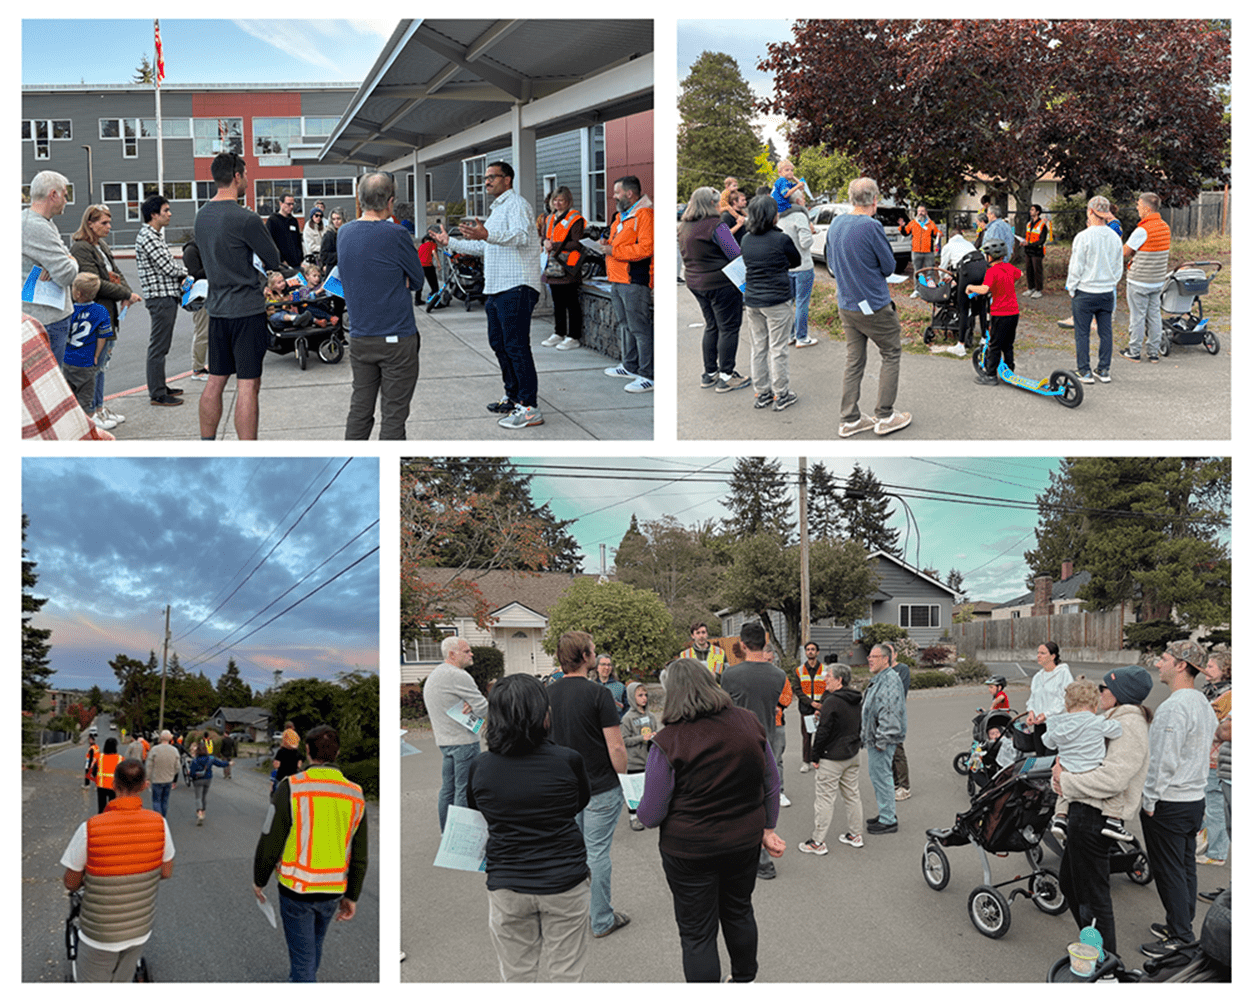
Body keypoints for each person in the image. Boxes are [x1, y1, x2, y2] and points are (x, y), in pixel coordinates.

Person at [637, 658, 784, 982]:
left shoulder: (669, 740)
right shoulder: (748, 722)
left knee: (697, 933)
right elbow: (771, 782)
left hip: (689, 850)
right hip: (743, 841)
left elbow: (650, 815)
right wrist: (768, 827)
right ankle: (744, 980)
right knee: (739, 911)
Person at [466, 674, 592, 982]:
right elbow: (579, 803)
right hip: (565, 880)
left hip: (507, 883)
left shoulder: (481, 766)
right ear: (543, 714)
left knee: (517, 976)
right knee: (566, 975)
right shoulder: (568, 760)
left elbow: (477, 811)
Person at [253, 724, 368, 982]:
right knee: (313, 946)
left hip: (296, 889)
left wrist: (259, 879)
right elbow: (360, 854)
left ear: (306, 750)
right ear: (337, 752)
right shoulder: (355, 793)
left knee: (303, 957)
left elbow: (270, 839)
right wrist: (352, 895)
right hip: (332, 889)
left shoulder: (291, 787)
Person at [1052, 665, 1154, 957]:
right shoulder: (1110, 719)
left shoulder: (1129, 725)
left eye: (1104, 688)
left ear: (1119, 693)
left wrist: (1065, 781)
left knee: (1092, 896)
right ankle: (1094, 949)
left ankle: (1105, 961)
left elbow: (1113, 778)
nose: (1099, 693)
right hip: (1083, 810)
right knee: (1071, 883)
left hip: (1094, 815)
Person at [436, 161, 545, 428]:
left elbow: (520, 236)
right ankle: (513, 397)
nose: (486, 181)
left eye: (492, 177)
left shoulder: (517, 205)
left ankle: (529, 407)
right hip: (497, 288)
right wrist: (451, 242)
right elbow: (486, 247)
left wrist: (487, 234)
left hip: (516, 286)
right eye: (485, 177)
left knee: (516, 347)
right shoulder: (497, 210)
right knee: (499, 344)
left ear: (507, 179)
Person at [194, 152, 283, 440]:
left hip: (217, 309)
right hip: (246, 310)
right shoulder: (246, 218)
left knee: (216, 380)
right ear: (236, 176)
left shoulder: (201, 216)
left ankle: (207, 443)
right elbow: (272, 258)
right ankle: (247, 450)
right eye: (244, 175)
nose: (246, 180)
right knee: (247, 384)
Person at [60, 758, 175, 982]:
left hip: (100, 935)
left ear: (113, 785)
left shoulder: (90, 828)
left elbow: (70, 882)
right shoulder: (160, 824)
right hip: (139, 930)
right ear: (144, 786)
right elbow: (166, 871)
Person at [547, 630, 630, 939]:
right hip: (600, 785)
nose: (596, 655)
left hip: (564, 787)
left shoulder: (547, 693)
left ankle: (571, 913)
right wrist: (624, 777)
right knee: (597, 853)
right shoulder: (599, 694)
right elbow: (616, 747)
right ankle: (602, 918)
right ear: (584, 656)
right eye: (593, 651)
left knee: (574, 850)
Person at [1139, 640, 1217, 959]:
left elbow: (1163, 760)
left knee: (1169, 870)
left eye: (1164, 658)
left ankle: (1180, 938)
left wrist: (1149, 800)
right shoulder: (1202, 703)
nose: (1159, 664)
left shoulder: (1174, 707)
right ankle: (1180, 923)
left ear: (1181, 665)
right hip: (1194, 799)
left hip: (1170, 801)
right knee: (1184, 867)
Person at [335, 172, 424, 440]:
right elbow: (417, 279)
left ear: (360, 200)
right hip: (396, 338)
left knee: (360, 409)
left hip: (361, 337)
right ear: (390, 201)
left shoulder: (343, 232)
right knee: (394, 415)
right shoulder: (396, 234)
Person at [825, 178, 911, 437]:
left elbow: (832, 263)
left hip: (846, 303)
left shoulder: (836, 223)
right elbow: (888, 266)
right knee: (891, 352)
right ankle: (885, 415)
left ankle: (849, 418)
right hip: (873, 304)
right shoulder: (871, 226)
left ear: (851, 198)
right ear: (875, 200)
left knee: (854, 360)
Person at [720, 621, 789, 878]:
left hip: (737, 745)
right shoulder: (778, 675)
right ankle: (763, 857)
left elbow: (723, 709)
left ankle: (742, 854)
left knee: (736, 801)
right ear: (765, 641)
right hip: (766, 742)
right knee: (762, 799)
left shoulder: (730, 675)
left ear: (742, 644)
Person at [70, 204, 139, 428]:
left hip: (107, 313)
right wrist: (126, 294)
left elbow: (116, 273)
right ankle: (91, 412)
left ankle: (100, 408)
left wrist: (127, 292)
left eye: (109, 222)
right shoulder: (81, 248)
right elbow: (94, 283)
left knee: (102, 365)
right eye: (104, 223)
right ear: (90, 223)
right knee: (94, 366)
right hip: (94, 315)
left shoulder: (101, 245)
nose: (109, 227)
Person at [679, 187, 749, 393]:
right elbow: (734, 253)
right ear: (711, 204)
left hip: (695, 281)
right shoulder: (716, 226)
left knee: (712, 326)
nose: (720, 206)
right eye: (718, 202)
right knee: (728, 328)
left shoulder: (684, 226)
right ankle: (726, 376)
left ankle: (710, 373)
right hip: (721, 283)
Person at [1045, 680, 1132, 841]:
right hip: (1092, 768)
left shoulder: (1059, 724)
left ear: (1067, 706)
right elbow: (1117, 730)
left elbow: (1048, 742)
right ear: (1095, 705)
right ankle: (1113, 821)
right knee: (1116, 790)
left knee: (1062, 792)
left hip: (1067, 768)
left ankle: (1060, 818)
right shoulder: (1097, 722)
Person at [740, 193, 801, 413]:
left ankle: (762, 392)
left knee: (758, 347)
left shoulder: (746, 239)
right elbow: (796, 261)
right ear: (772, 215)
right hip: (776, 300)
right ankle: (781, 393)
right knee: (778, 349)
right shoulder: (781, 239)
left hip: (753, 300)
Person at [423, 636, 489, 832]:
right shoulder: (458, 676)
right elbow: (483, 707)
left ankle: (447, 833)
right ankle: (461, 837)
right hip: (464, 741)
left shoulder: (435, 675)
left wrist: (471, 705)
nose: (471, 654)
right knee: (464, 790)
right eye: (466, 651)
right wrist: (474, 705)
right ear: (453, 654)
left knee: (448, 789)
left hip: (445, 741)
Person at [800, 663, 864, 853]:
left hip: (832, 757)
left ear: (839, 679)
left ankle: (817, 842)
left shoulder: (832, 701)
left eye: (828, 676)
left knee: (824, 800)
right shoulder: (855, 699)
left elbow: (823, 732)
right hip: (852, 754)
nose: (824, 679)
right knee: (852, 796)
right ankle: (855, 834)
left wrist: (815, 756)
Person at [601, 175, 655, 394]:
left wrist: (613, 250)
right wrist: (606, 244)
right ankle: (630, 365)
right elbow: (619, 242)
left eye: (617, 192)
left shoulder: (644, 215)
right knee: (625, 324)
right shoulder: (622, 216)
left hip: (634, 280)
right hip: (617, 278)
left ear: (629, 194)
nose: (614, 196)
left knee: (639, 329)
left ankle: (648, 374)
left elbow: (646, 248)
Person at [134, 193, 188, 407]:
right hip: (160, 298)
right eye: (165, 210)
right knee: (158, 346)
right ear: (154, 215)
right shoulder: (148, 236)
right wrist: (189, 274)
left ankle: (160, 386)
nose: (169, 214)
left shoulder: (154, 236)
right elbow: (168, 267)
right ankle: (157, 393)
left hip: (164, 297)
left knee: (162, 345)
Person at [1066, 194, 1124, 384]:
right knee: (1106, 332)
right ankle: (1104, 369)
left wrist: (1072, 288)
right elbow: (1118, 267)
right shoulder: (1114, 237)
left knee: (1082, 333)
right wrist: (1111, 282)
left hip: (1085, 291)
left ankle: (1084, 371)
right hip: (1106, 292)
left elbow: (1076, 267)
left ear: (1090, 211)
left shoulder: (1083, 236)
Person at [22, 170, 79, 364]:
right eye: (65, 195)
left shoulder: (38, 222)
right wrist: (71, 260)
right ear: (53, 194)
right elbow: (67, 274)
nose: (66, 201)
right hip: (46, 321)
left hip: (42, 317)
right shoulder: (36, 227)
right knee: (50, 381)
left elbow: (63, 261)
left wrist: (62, 261)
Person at [1119, 191, 1171, 364]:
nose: (1137, 208)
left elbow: (1125, 252)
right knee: (1155, 316)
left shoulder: (1143, 230)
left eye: (1139, 205)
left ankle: (1134, 351)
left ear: (1147, 208)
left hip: (1139, 281)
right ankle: (1153, 353)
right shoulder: (1165, 227)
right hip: (1157, 280)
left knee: (1138, 317)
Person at [861, 643, 905, 834]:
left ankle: (888, 820)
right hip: (877, 738)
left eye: (874, 657)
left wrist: (882, 740)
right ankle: (886, 813)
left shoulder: (889, 680)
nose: (870, 660)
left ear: (886, 659)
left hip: (881, 741)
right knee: (879, 777)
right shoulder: (881, 678)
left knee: (882, 777)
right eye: (869, 656)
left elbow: (889, 712)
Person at [965, 236, 1021, 386]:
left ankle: (990, 375)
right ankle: (1009, 370)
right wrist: (1006, 283)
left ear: (990, 256)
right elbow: (1019, 274)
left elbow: (984, 289)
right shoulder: (1009, 267)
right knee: (1008, 344)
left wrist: (970, 287)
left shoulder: (992, 271)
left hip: (1000, 313)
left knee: (995, 345)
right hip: (1014, 312)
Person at [61, 274, 113, 423]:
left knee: (69, 393)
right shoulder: (101, 311)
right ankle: (88, 421)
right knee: (86, 396)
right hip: (86, 360)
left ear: (77, 293)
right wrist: (97, 355)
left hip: (68, 359)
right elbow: (102, 337)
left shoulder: (68, 310)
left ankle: (70, 421)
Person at [539, 185, 585, 351]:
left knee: (571, 302)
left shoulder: (575, 219)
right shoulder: (549, 218)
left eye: (561, 200)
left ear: (568, 201)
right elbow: (544, 237)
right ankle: (559, 332)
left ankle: (573, 336)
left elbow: (577, 243)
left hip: (568, 266)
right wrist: (545, 242)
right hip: (553, 265)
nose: (557, 203)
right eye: (555, 200)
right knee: (557, 302)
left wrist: (555, 245)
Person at [1196, 651, 1231, 868]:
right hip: (1208, 757)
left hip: (1218, 759)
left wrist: (1205, 729)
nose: (1206, 670)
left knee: (1215, 806)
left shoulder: (1229, 695)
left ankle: (1217, 853)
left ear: (1224, 670)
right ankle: (1208, 845)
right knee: (1209, 805)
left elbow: (1223, 729)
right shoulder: (1214, 691)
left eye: (1211, 666)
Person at [777, 188, 818, 348]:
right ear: (799, 201)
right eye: (804, 199)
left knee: (788, 302)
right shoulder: (800, 216)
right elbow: (805, 242)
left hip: (786, 266)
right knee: (802, 302)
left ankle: (789, 335)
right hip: (803, 265)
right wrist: (811, 232)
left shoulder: (780, 217)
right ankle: (802, 337)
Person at [620, 682, 658, 831]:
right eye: (640, 695)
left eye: (646, 695)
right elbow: (624, 740)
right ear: (631, 697)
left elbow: (654, 732)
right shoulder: (627, 718)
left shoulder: (651, 716)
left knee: (647, 789)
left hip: (649, 759)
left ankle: (647, 815)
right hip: (634, 761)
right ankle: (633, 817)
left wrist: (654, 736)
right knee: (634, 792)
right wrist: (642, 738)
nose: (644, 698)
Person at [886, 644, 913, 802]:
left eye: (890, 652)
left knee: (897, 751)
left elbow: (899, 692)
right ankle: (895, 784)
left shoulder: (902, 669)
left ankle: (905, 787)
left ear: (895, 654)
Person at [898, 204, 942, 297]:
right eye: (919, 211)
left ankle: (931, 290)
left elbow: (936, 234)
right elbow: (905, 233)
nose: (920, 213)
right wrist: (901, 227)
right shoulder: (913, 223)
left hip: (928, 252)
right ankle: (917, 290)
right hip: (916, 251)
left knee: (930, 270)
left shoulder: (931, 224)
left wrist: (939, 234)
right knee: (917, 271)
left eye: (922, 211)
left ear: (926, 212)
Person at [794, 642, 823, 769]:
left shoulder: (825, 669)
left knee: (822, 735)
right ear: (805, 652)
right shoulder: (799, 670)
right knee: (807, 736)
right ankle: (806, 762)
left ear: (817, 652)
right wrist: (811, 702)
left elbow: (829, 687)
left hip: (822, 707)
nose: (810, 651)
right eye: (808, 649)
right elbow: (797, 689)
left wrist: (821, 704)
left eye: (813, 649)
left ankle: (819, 760)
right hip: (806, 707)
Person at [188, 741, 231, 825]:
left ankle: (199, 812)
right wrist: (228, 763)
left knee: (198, 797)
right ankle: (203, 812)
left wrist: (190, 774)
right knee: (204, 797)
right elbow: (220, 764)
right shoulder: (211, 758)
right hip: (208, 779)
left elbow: (192, 773)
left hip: (197, 780)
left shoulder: (195, 760)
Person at [147, 730, 180, 817]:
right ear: (170, 738)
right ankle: (163, 817)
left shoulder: (154, 750)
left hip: (157, 779)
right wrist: (172, 774)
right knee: (165, 800)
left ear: (160, 738)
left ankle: (158, 818)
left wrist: (147, 778)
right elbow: (178, 767)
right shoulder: (174, 750)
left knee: (156, 801)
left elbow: (149, 766)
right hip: (168, 779)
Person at [266, 191, 303, 269]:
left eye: (292, 204)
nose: (291, 207)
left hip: (296, 263)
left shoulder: (293, 221)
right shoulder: (273, 220)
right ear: (281, 203)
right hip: (282, 264)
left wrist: (300, 258)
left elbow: (298, 241)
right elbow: (270, 243)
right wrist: (281, 260)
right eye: (288, 204)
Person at [1023, 203, 1050, 297]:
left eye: (1032, 210)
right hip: (1028, 251)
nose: (1030, 211)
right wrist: (1024, 242)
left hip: (1037, 251)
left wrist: (1030, 244)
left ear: (1038, 212)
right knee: (1029, 270)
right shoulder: (1029, 224)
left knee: (1037, 271)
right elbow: (1028, 236)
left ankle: (1038, 290)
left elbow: (1042, 240)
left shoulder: (1042, 225)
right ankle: (1031, 288)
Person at [91, 736, 121, 814]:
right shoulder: (120, 759)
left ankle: (101, 820)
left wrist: (98, 779)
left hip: (101, 786)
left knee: (101, 808)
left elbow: (94, 772)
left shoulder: (100, 757)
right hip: (114, 787)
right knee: (113, 809)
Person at [272, 726, 305, 793]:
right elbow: (299, 766)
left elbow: (276, 765)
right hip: (293, 779)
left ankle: (273, 793)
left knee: (274, 779)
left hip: (281, 778)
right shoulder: (298, 753)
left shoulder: (281, 751)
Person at [594, 654, 626, 718]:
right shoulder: (590, 685)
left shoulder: (620, 687)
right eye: (603, 664)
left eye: (609, 665)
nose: (607, 668)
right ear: (597, 667)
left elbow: (627, 708)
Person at [319, 209, 345, 274]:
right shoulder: (329, 234)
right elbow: (324, 255)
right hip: (333, 269)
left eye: (338, 218)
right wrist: (340, 255)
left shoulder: (347, 233)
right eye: (333, 219)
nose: (336, 221)